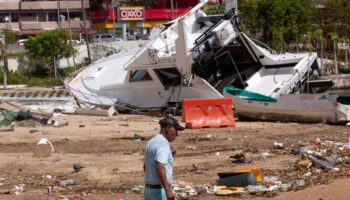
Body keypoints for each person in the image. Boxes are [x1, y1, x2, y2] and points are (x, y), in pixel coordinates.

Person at [144, 116, 185, 200]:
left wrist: (169, 156)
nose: (176, 134)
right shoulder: (163, 143)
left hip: (148, 190)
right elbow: (159, 166)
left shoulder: (151, 142)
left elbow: (146, 166)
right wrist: (168, 190)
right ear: (168, 128)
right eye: (176, 130)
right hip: (159, 191)